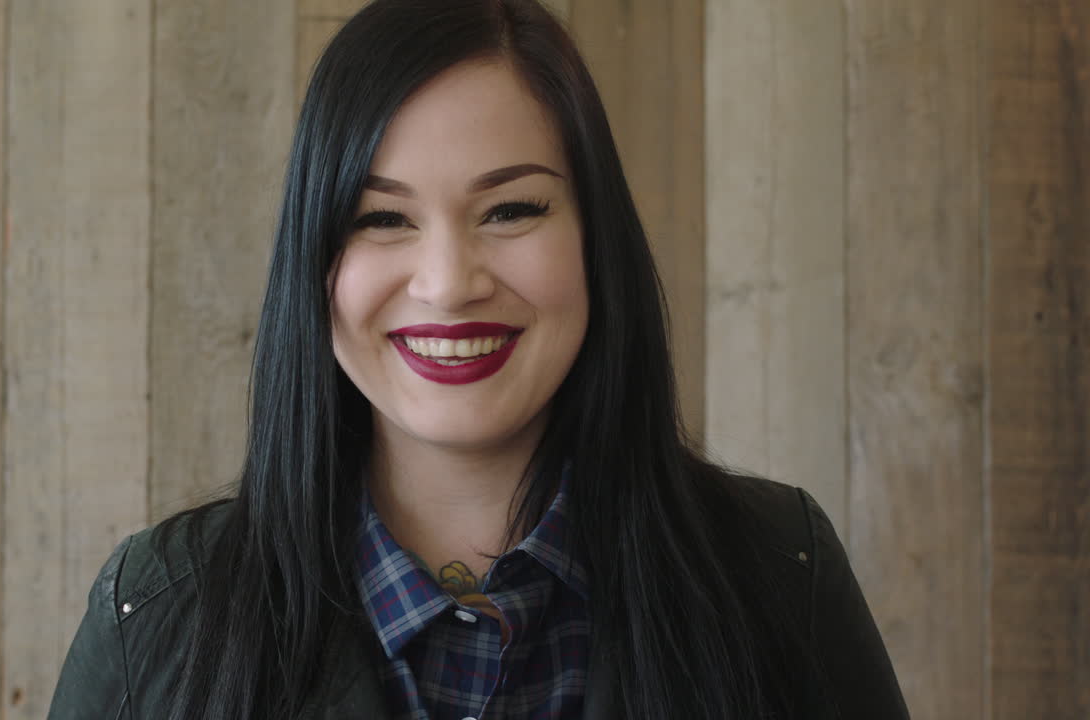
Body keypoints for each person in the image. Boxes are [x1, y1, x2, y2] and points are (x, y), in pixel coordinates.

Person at [47, 1, 910, 718]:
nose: (448, 283)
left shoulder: (776, 581)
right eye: (381, 218)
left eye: (510, 209)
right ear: (315, 262)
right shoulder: (155, 623)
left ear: (595, 240)